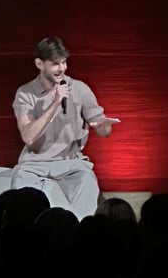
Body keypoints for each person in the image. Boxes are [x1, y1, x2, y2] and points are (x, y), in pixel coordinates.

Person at [10, 36, 119, 220]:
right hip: (34, 165)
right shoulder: (26, 93)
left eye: (64, 62)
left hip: (72, 164)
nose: (62, 69)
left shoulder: (80, 89)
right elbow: (28, 137)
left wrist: (104, 127)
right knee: (20, 187)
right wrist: (55, 103)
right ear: (39, 63)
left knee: (88, 183)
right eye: (55, 64)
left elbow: (102, 129)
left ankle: (78, 237)